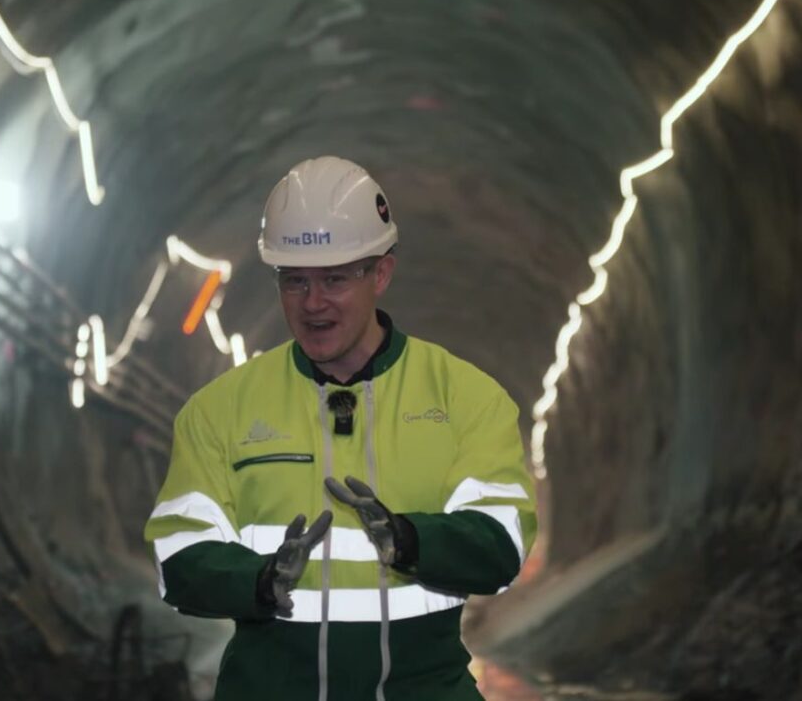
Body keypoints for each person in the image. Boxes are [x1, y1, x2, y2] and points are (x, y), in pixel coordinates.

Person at [144, 156, 537, 701]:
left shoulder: (466, 400)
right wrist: (257, 581)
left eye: (334, 278)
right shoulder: (220, 412)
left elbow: (502, 544)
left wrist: (411, 540)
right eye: (294, 281)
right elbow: (178, 554)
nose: (313, 303)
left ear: (380, 273)